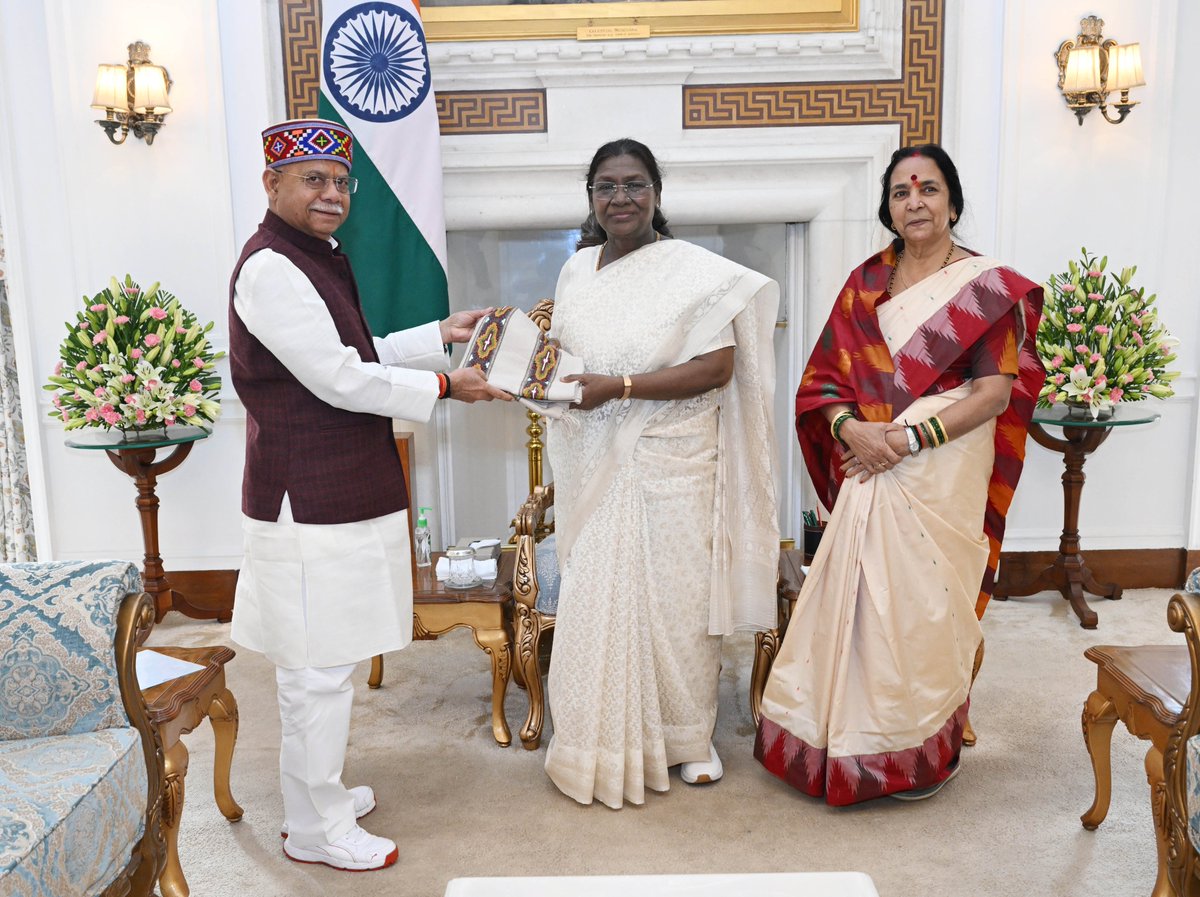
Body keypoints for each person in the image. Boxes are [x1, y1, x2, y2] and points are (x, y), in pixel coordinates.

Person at [228, 118, 509, 870]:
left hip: (338, 488)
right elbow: (339, 379)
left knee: (332, 656)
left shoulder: (315, 256)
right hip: (308, 498)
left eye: (341, 181)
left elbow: (350, 353)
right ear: (273, 185)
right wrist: (448, 384)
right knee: (315, 668)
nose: (331, 194)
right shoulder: (270, 267)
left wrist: (435, 335)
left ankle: (313, 795)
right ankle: (314, 826)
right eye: (313, 180)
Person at [754, 144, 1044, 805]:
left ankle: (917, 746)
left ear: (953, 201)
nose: (915, 200)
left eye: (929, 188)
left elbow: (994, 394)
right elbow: (821, 382)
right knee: (858, 603)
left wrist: (911, 437)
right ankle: (849, 743)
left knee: (923, 607)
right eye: (901, 192)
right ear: (887, 207)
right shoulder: (864, 284)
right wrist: (849, 429)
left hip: (940, 470)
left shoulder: (988, 287)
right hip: (869, 459)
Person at [543, 138, 780, 809]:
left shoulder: (694, 271)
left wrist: (618, 386)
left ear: (656, 194)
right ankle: (593, 742)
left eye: (635, 184)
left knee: (677, 608)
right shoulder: (576, 271)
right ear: (591, 198)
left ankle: (687, 738)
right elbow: (562, 354)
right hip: (594, 460)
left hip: (674, 462)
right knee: (595, 596)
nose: (620, 198)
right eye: (606, 186)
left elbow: (717, 367)